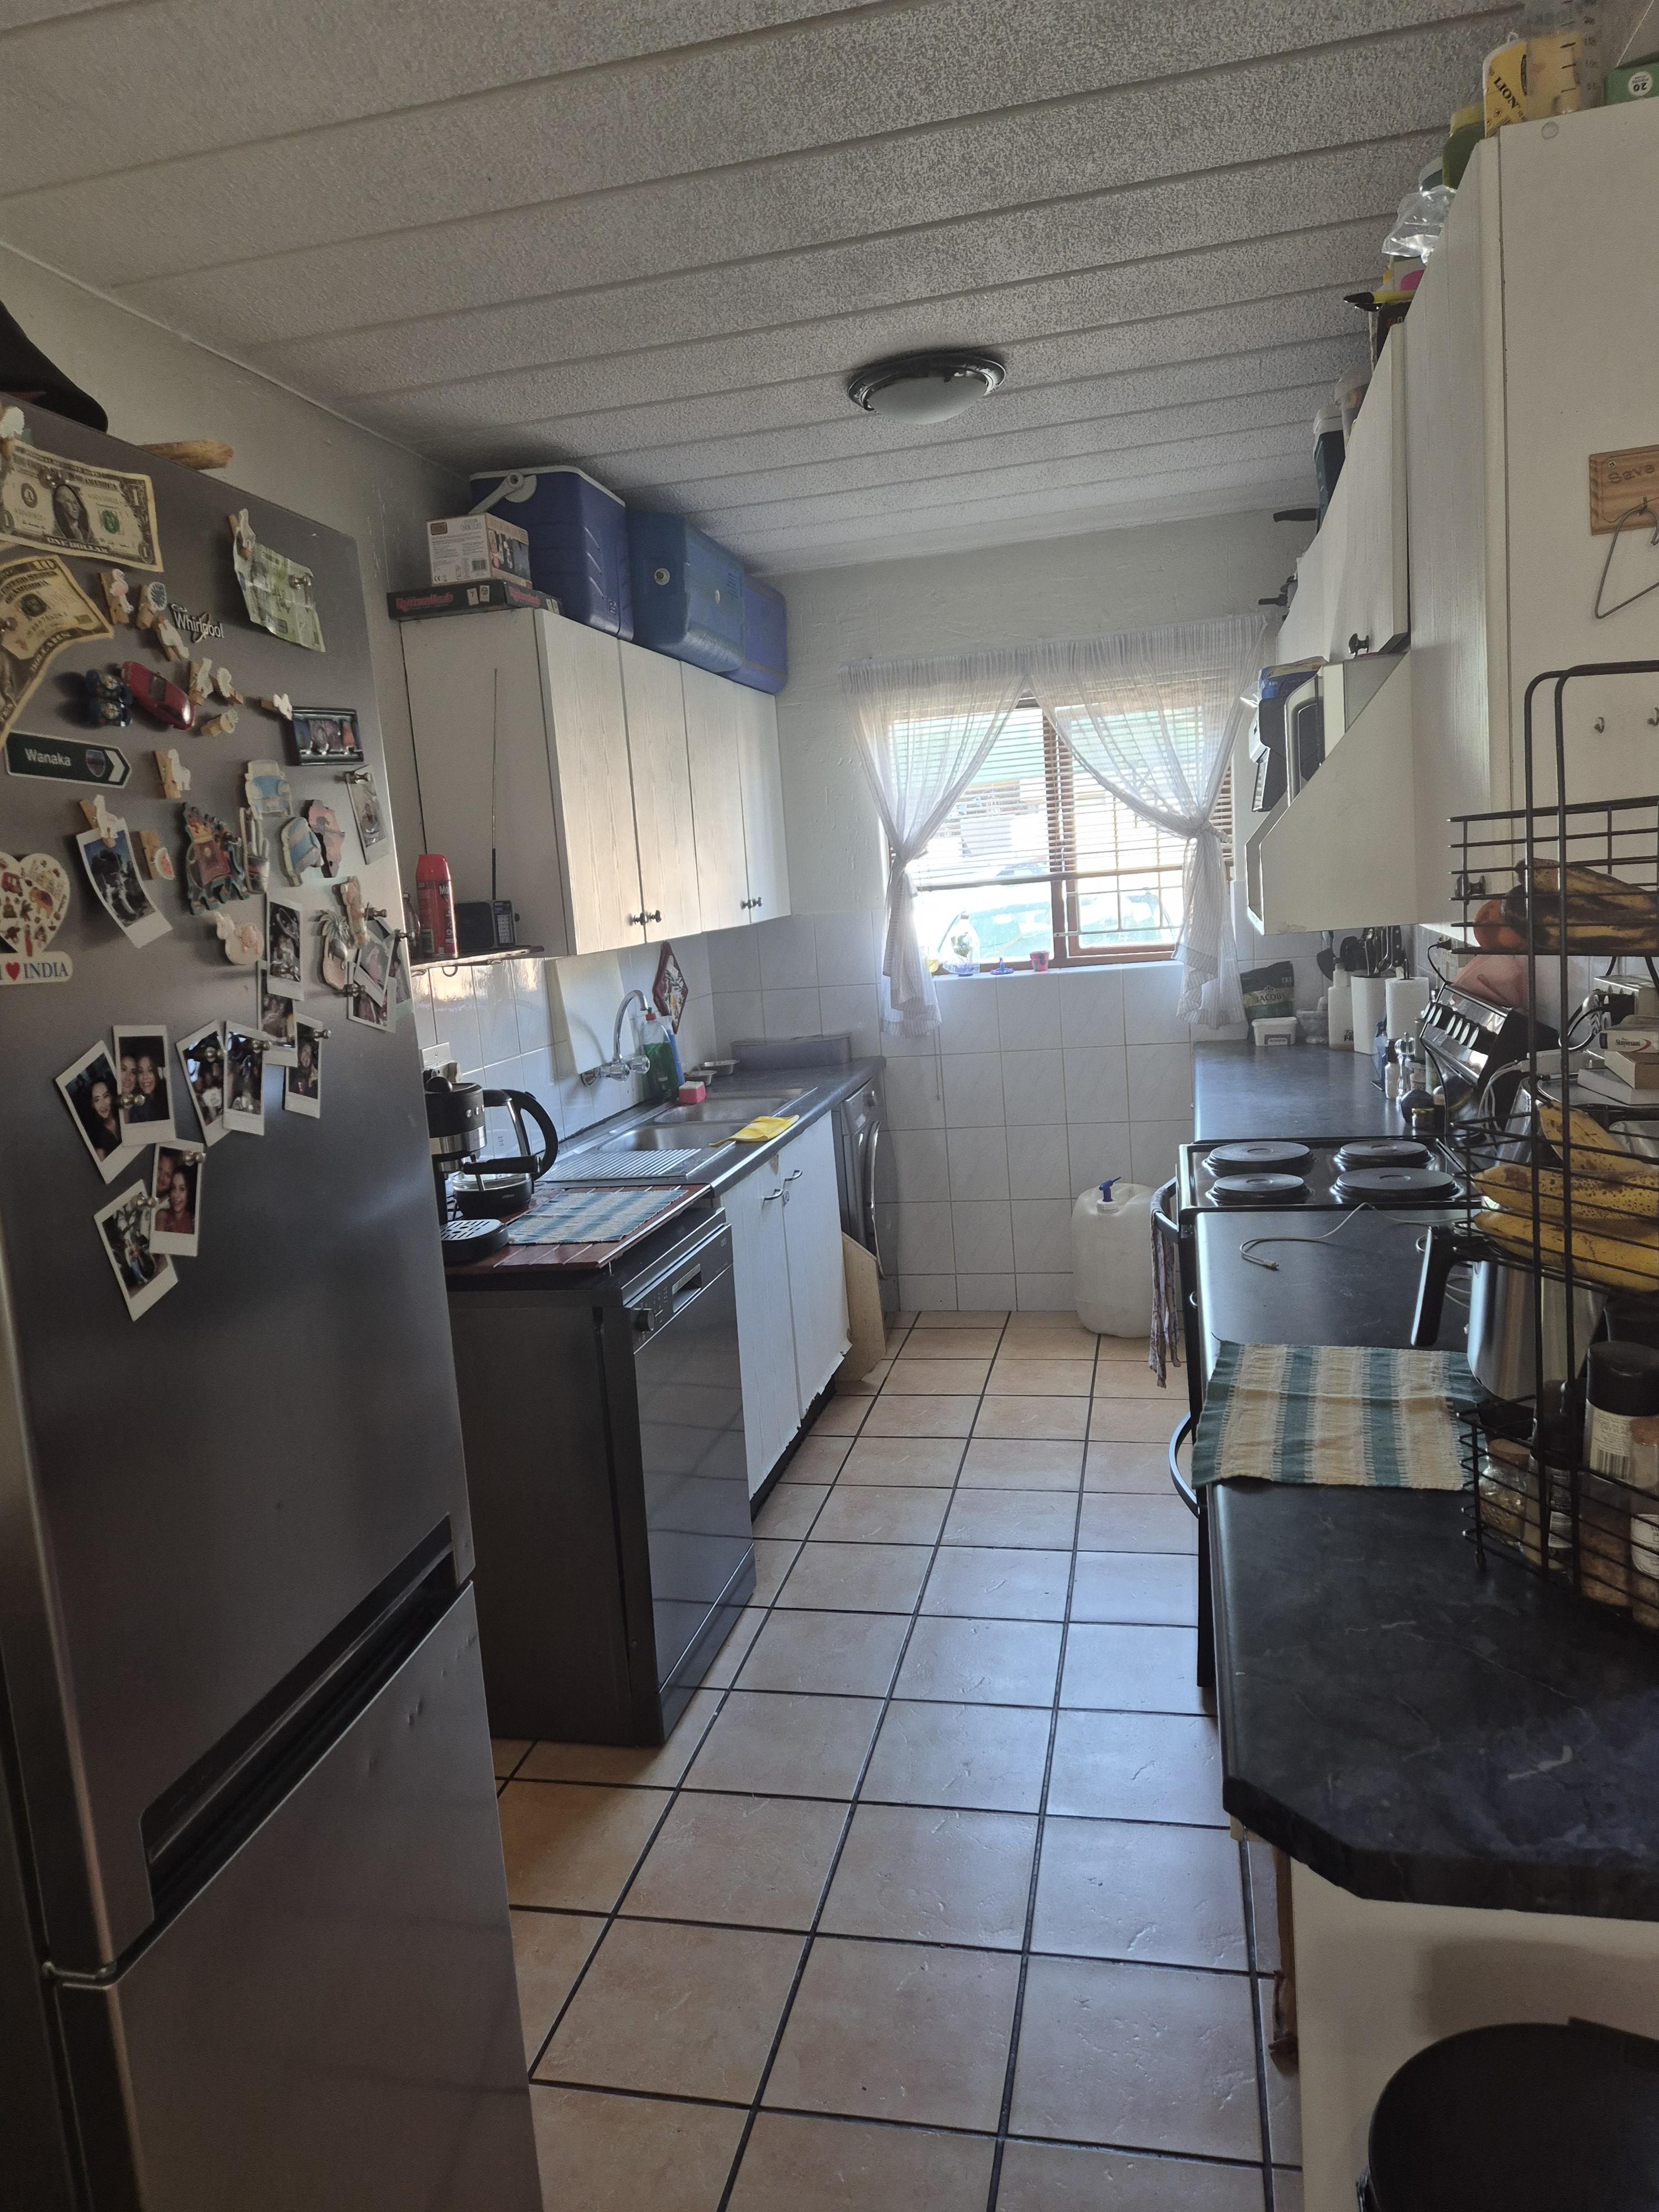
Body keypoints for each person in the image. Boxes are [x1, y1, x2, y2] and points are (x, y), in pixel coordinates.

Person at [80, 1072, 122, 1160]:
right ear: (93, 1105)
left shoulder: (124, 1116)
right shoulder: (96, 1137)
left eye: (106, 1096)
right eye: (97, 1100)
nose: (103, 1104)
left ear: (111, 1096)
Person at [129, 1050, 167, 1123]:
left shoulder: (168, 1099)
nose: (145, 1077)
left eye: (150, 1070)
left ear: (157, 1073)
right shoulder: (135, 1107)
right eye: (141, 1071)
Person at [160, 1162, 194, 1237]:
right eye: (174, 1188)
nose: (176, 1195)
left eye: (182, 1189)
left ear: (189, 1192)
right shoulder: (163, 1216)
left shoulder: (194, 1221)